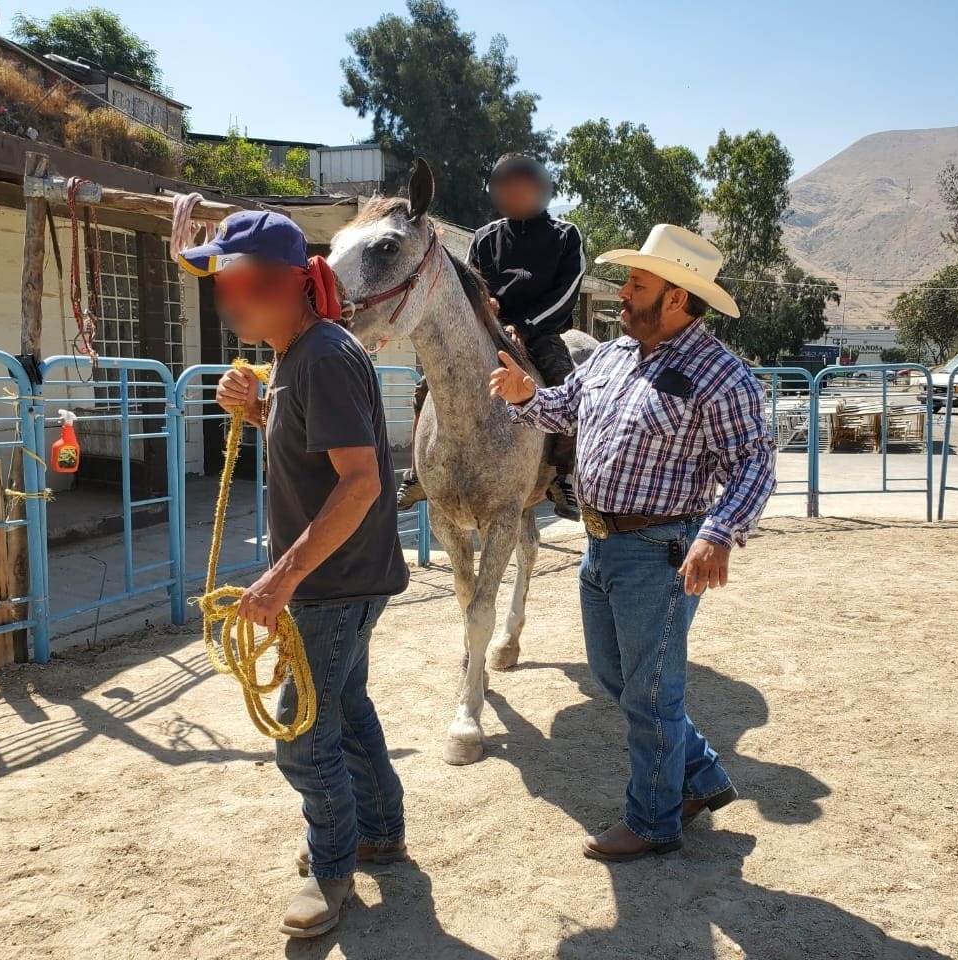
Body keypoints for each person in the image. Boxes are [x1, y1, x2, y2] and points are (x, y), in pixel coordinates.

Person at [489, 224, 777, 861]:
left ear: (676, 297)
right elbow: (566, 407)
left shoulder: (721, 375)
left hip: (661, 550)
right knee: (615, 674)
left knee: (650, 691)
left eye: (637, 283)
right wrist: (526, 395)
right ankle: (698, 778)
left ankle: (653, 821)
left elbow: (755, 464)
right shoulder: (614, 355)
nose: (623, 291)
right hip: (600, 546)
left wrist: (719, 536)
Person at [192, 211, 409, 939]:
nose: (228, 304)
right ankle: (377, 830)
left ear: (285, 285)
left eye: (237, 287)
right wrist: (257, 412)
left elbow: (360, 483)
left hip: (333, 582)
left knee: (300, 730)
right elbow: (318, 450)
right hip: (347, 576)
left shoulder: (323, 356)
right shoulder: (297, 356)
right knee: (345, 706)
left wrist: (281, 577)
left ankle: (332, 866)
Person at [398, 153, 586, 521]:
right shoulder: (485, 236)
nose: (513, 194)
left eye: (521, 186)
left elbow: (567, 291)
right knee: (425, 386)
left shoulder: (566, 236)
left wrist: (527, 327)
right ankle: (420, 474)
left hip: (541, 332)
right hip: (489, 330)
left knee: (566, 386)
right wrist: (485, 305)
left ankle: (561, 475)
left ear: (539, 189)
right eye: (505, 187)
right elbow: (469, 283)